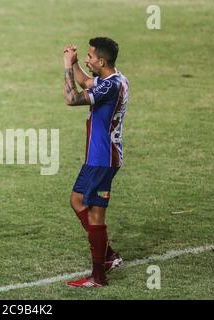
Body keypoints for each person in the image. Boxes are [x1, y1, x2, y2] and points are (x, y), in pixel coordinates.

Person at [62, 37, 129, 287]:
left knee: (96, 217)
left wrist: (67, 66)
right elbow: (87, 81)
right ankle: (109, 256)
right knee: (77, 200)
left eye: (90, 56)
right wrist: (77, 62)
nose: (87, 59)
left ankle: (98, 276)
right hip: (96, 157)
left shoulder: (110, 87)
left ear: (102, 61)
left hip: (103, 159)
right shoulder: (115, 79)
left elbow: (72, 98)